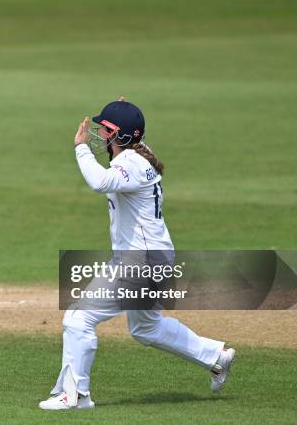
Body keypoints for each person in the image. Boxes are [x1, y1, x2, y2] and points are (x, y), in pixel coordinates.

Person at [39, 98, 235, 410]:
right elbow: (127, 136)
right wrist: (122, 110)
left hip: (139, 262)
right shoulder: (141, 152)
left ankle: (76, 397)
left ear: (122, 137)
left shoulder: (131, 164)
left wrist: (80, 148)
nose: (100, 133)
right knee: (146, 328)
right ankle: (216, 356)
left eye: (106, 129)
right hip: (154, 258)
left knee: (78, 319)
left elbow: (99, 181)